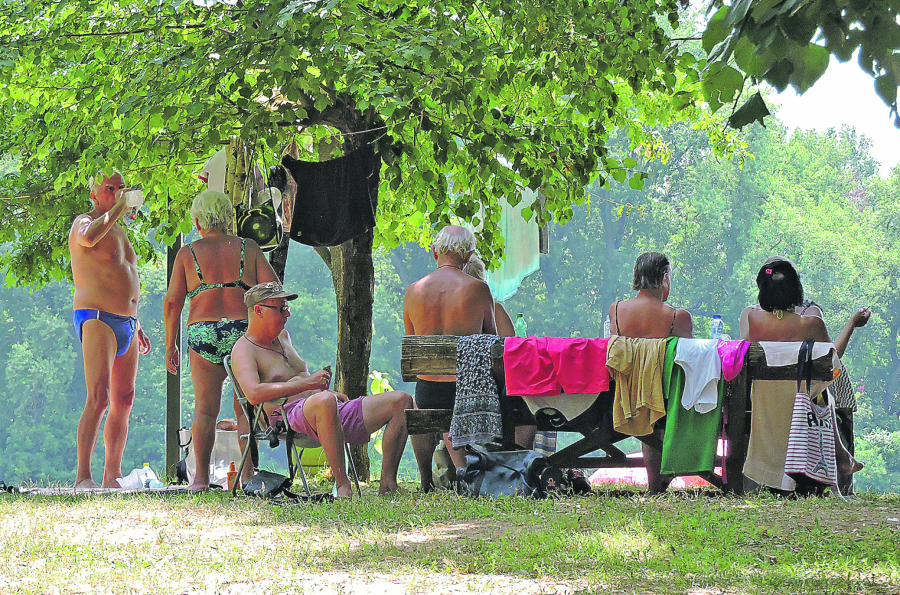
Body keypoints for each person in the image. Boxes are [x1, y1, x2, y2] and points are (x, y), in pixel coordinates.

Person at [231, 282, 412, 497]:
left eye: (287, 307)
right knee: (325, 401)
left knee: (402, 400)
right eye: (280, 308)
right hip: (285, 417)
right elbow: (253, 394)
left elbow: (299, 375)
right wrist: (309, 386)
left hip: (322, 407)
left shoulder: (283, 337)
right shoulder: (243, 349)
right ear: (258, 310)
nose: (287, 313)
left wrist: (322, 390)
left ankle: (388, 483)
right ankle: (343, 485)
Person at [163, 190, 279, 491]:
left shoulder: (187, 254)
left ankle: (199, 480)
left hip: (202, 332)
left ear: (198, 221)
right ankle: (248, 475)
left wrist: (170, 344)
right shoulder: (248, 247)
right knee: (244, 405)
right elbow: (273, 289)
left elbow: (173, 303)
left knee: (204, 408)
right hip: (242, 331)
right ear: (230, 219)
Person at [740, 256, 863, 493]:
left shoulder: (753, 319)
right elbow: (832, 359)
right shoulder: (811, 322)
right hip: (802, 404)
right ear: (796, 288)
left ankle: (841, 457)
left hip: (765, 405)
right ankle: (842, 457)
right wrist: (852, 324)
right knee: (827, 394)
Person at [69, 170, 151, 489]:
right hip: (97, 317)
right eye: (110, 189)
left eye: (120, 188)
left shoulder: (118, 229)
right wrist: (120, 206)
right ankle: (82, 476)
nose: (117, 193)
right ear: (94, 194)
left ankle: (111, 475)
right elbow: (88, 238)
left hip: (127, 321)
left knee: (124, 398)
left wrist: (137, 321)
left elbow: (122, 274)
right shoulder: (84, 222)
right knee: (99, 397)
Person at [403, 226, 496, 491]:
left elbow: (413, 346)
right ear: (468, 257)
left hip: (429, 392)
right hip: (468, 393)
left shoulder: (413, 291)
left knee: (418, 404)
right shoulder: (478, 290)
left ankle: (425, 480)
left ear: (434, 252)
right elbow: (492, 342)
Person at [607, 252, 693, 493]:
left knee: (654, 418)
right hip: (665, 398)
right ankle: (664, 478)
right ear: (665, 278)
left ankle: (655, 483)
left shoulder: (616, 311)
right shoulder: (678, 317)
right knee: (666, 408)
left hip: (622, 396)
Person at [463, 254, 536, 448]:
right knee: (526, 398)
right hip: (493, 390)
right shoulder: (495, 309)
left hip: (449, 388)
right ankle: (519, 459)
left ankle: (427, 475)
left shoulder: (450, 311)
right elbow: (513, 352)